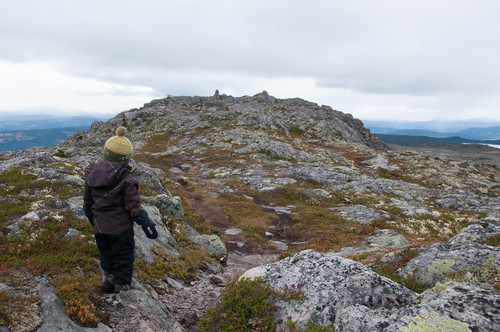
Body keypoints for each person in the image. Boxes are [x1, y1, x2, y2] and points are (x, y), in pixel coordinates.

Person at [82, 126, 158, 293]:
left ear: (106, 153)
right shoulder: (127, 180)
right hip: (121, 229)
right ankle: (122, 286)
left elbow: (87, 204)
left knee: (106, 255)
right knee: (123, 257)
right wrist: (146, 222)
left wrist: (93, 221)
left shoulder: (91, 174)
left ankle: (108, 281)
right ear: (126, 158)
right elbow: (134, 207)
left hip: (100, 228)